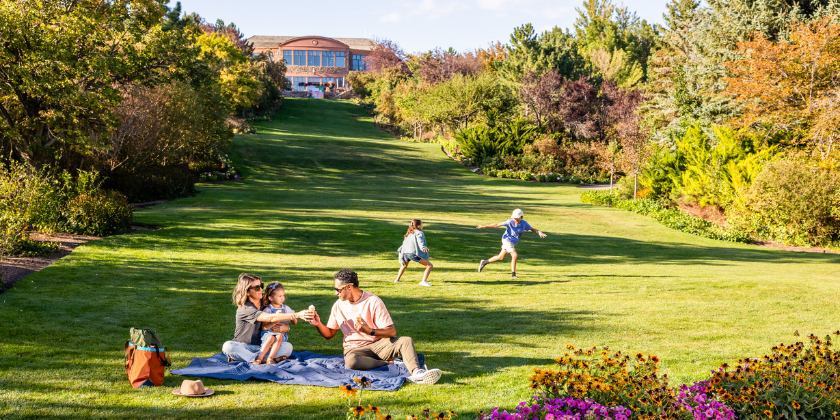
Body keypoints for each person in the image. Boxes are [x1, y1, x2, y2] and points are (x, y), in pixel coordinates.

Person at [306, 268, 442, 384]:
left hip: (378, 345)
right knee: (351, 361)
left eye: (338, 289)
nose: (336, 293)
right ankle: (391, 364)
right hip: (354, 350)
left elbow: (391, 332)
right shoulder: (338, 305)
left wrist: (369, 331)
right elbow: (329, 334)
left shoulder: (373, 301)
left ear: (349, 287)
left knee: (406, 341)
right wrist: (318, 324)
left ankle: (417, 373)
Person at [221, 273, 311, 363]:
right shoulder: (245, 308)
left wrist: (287, 328)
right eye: (257, 288)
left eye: (261, 286)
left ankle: (251, 358)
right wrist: (297, 315)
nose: (261, 289)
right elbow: (270, 318)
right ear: (247, 292)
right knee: (228, 346)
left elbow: (281, 314)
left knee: (288, 347)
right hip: (244, 346)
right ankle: (262, 359)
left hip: (263, 345)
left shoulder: (266, 302)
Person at [477, 208, 547, 279]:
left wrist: (539, 232)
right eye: (514, 218)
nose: (515, 220)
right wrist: (484, 226)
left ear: (521, 217)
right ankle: (513, 274)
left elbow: (532, 229)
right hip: (507, 240)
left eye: (517, 218)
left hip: (512, 242)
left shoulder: (524, 223)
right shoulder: (509, 222)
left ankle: (484, 262)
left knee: (500, 257)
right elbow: (497, 224)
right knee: (514, 255)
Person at [256, 281, 296, 364]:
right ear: (271, 298)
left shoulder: (285, 309)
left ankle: (270, 358)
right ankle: (260, 358)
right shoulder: (268, 310)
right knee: (271, 338)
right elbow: (264, 327)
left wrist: (293, 318)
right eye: (279, 296)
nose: (282, 298)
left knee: (279, 337)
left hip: (280, 334)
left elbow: (294, 321)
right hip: (268, 333)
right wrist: (273, 322)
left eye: (283, 295)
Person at [395, 219, 433, 286]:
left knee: (404, 265)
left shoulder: (409, 232)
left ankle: (397, 280)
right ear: (418, 226)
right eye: (422, 224)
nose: (422, 226)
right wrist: (423, 247)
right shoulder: (419, 233)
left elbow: (404, 243)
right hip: (412, 253)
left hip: (405, 252)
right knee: (429, 265)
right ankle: (423, 282)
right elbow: (420, 241)